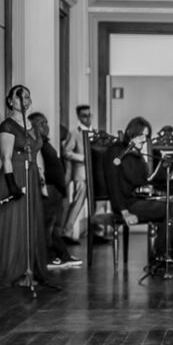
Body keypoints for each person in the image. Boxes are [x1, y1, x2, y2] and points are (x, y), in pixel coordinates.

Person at [105, 116, 173, 268]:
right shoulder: (117, 151)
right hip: (127, 204)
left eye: (146, 136)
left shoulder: (140, 153)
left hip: (142, 199)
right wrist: (124, 212)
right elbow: (112, 184)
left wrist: (162, 169)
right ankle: (159, 256)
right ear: (130, 132)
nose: (143, 139)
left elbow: (146, 180)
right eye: (140, 135)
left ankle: (172, 254)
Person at [0, 85, 49, 287]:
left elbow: (37, 154)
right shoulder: (8, 125)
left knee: (31, 222)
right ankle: (15, 271)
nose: (24, 100)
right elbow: (6, 158)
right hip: (16, 176)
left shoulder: (33, 126)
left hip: (32, 176)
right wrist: (12, 185)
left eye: (27, 96)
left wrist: (42, 180)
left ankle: (31, 270)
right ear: (10, 101)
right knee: (16, 224)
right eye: (19, 96)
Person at [28, 112, 83, 269]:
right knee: (48, 226)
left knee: (54, 227)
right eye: (41, 123)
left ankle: (62, 255)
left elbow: (64, 132)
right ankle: (49, 257)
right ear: (32, 126)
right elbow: (38, 167)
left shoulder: (45, 141)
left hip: (56, 189)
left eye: (46, 122)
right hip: (49, 188)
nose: (46, 126)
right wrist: (43, 187)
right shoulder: (35, 143)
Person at [61, 104, 100, 244]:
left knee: (96, 204)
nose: (88, 118)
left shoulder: (96, 133)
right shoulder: (74, 133)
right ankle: (66, 232)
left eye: (89, 115)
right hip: (81, 173)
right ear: (78, 117)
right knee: (77, 203)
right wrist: (83, 158)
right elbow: (66, 152)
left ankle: (96, 232)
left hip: (95, 173)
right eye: (84, 116)